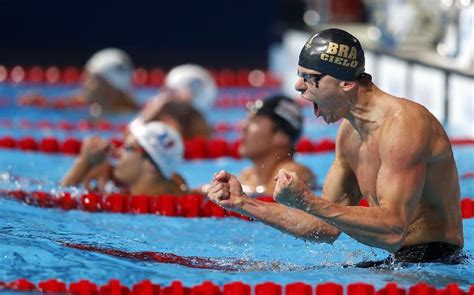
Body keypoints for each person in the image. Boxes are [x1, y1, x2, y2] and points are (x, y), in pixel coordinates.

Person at [206, 28, 464, 266]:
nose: (299, 86)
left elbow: (393, 229)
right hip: (403, 263)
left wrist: (307, 200)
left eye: (311, 77)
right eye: (300, 76)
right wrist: (243, 203)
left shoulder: (404, 125)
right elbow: (322, 226)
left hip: (438, 265)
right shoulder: (349, 133)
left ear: (347, 83)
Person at [61, 121, 187, 196]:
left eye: (127, 148)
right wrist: (85, 163)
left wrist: (81, 163)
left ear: (151, 166)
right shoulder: (114, 187)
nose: (118, 152)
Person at [18, 48, 139, 117]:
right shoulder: (86, 103)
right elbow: (61, 104)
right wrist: (43, 103)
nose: (84, 82)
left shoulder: (130, 114)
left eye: (91, 78)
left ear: (109, 86)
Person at [238, 95, 316, 195]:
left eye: (255, 121)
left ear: (280, 135)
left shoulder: (293, 174)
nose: (243, 127)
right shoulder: (248, 175)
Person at [136, 64, 217, 140]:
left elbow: (133, 136)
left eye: (170, 92)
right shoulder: (208, 136)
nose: (164, 96)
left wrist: (156, 108)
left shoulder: (165, 122)